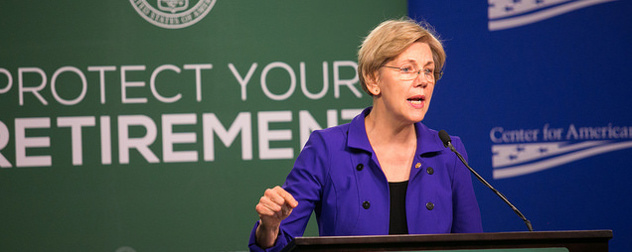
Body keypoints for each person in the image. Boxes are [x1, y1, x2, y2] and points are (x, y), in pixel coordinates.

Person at [248, 18, 483, 251]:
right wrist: (269, 228)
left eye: (429, 71)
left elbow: (473, 246)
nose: (422, 81)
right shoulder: (327, 149)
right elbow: (278, 244)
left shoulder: (448, 152)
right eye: (407, 69)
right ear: (373, 80)